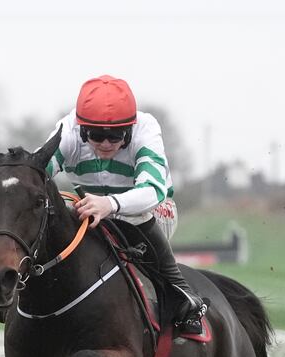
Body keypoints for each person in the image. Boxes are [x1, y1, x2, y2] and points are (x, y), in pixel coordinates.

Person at [44, 74, 206, 334]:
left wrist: (110, 204)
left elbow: (152, 190)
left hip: (153, 209)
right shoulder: (69, 132)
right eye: (97, 136)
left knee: (136, 214)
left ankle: (182, 295)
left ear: (130, 129)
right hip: (93, 211)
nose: (107, 144)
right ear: (83, 129)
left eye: (116, 136)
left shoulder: (146, 128)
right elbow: (36, 173)